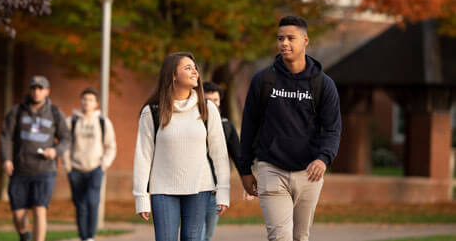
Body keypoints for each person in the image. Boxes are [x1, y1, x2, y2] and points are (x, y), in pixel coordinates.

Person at [239, 15, 342, 241]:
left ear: (305, 40)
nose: (284, 43)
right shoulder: (264, 80)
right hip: (271, 169)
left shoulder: (323, 84)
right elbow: (249, 126)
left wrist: (323, 159)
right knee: (280, 237)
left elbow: (333, 129)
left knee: (300, 237)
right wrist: (245, 169)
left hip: (309, 173)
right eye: (280, 38)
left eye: (290, 38)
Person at [133, 52, 230, 241]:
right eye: (188, 68)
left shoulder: (207, 108)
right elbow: (143, 156)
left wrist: (223, 191)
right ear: (173, 75)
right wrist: (141, 197)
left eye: (195, 68)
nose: (195, 72)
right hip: (163, 189)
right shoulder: (152, 111)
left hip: (200, 188)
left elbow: (219, 153)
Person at [0, 75, 70, 241]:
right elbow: (5, 137)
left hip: (45, 170)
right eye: (33, 88)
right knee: (18, 215)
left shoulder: (54, 113)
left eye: (40, 88)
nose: (36, 92)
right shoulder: (17, 112)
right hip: (20, 170)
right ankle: (24, 235)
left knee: (40, 208)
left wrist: (55, 151)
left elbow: (66, 138)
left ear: (47, 91)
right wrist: (6, 159)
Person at [62, 88, 117, 241]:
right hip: (76, 170)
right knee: (80, 205)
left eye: (91, 100)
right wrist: (68, 166)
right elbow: (65, 145)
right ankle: (83, 236)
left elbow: (111, 146)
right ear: (81, 101)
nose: (87, 102)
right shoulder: (71, 121)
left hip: (95, 169)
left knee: (92, 202)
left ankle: (90, 237)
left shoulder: (103, 122)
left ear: (96, 103)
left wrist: (103, 165)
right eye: (84, 99)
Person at [200, 81, 240, 241]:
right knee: (196, 235)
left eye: (216, 101)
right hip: (194, 191)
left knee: (207, 236)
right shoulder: (192, 125)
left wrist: (247, 180)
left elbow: (238, 155)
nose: (213, 105)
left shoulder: (227, 127)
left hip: (214, 193)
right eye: (208, 100)